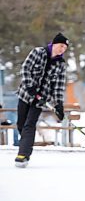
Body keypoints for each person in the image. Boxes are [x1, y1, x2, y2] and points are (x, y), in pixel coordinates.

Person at [15, 32, 69, 168]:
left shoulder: (61, 65)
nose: (62, 49)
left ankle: (23, 154)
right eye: (61, 46)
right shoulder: (38, 52)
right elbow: (25, 69)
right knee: (21, 124)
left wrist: (59, 105)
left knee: (30, 124)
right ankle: (25, 145)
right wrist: (30, 86)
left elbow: (58, 86)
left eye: (65, 48)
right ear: (54, 44)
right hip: (26, 94)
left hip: (41, 100)